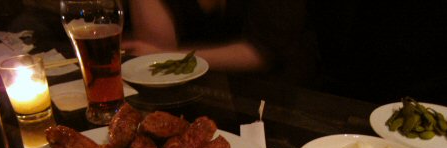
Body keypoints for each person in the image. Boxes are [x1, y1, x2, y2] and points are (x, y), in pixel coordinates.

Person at [122, 0, 318, 86]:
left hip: (275, 92)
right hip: (198, 86)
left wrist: (174, 58)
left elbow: (264, 52)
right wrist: (169, 57)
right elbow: (158, 46)